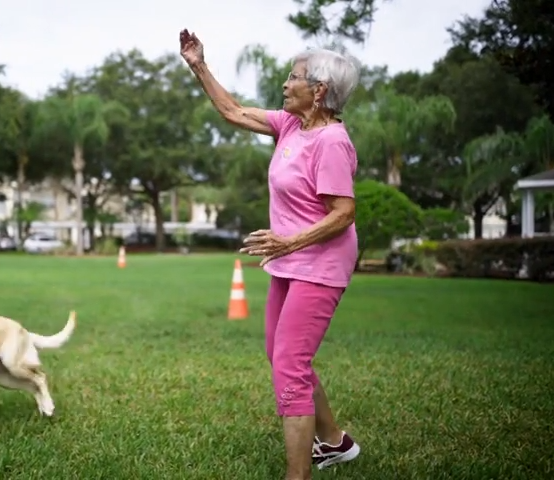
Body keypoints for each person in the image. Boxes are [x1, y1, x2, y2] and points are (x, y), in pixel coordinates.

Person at [179, 29, 362, 480]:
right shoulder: (291, 125)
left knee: (291, 366)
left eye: (294, 77)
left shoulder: (332, 142)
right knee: (278, 353)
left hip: (320, 264)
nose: (285, 83)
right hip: (291, 260)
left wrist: (288, 242)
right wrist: (198, 65)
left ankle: (297, 475)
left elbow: (344, 213)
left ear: (318, 90)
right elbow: (233, 111)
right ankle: (335, 442)